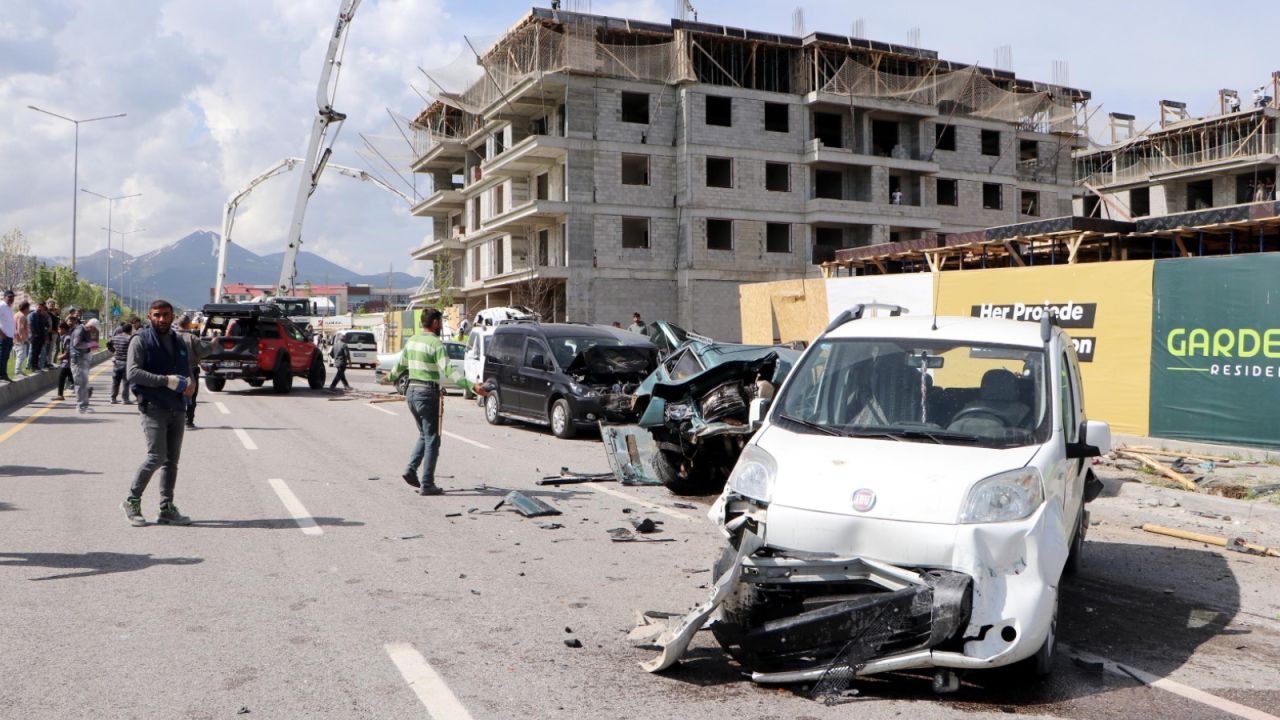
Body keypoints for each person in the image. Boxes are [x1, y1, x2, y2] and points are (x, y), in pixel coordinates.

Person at [390, 308, 488, 496]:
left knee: (424, 435)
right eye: (440, 322)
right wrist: (472, 386)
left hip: (411, 393)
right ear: (435, 322)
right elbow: (449, 371)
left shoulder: (412, 342)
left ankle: (411, 470)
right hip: (427, 395)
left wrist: (388, 377)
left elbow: (399, 367)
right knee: (433, 439)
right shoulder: (435, 344)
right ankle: (427, 483)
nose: (441, 325)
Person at [122, 300, 196, 527]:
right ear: (149, 316)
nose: (162, 319)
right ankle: (132, 501)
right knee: (156, 457)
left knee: (171, 462)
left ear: (173, 316)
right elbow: (133, 373)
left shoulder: (178, 340)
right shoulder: (140, 339)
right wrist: (166, 381)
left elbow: (186, 367)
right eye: (157, 315)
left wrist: (189, 381)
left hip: (177, 407)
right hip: (153, 407)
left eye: (166, 315)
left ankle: (166, 508)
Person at [176, 314, 212, 429]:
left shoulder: (171, 337)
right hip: (191, 370)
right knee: (191, 396)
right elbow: (203, 352)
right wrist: (213, 344)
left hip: (174, 370)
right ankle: (189, 421)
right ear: (188, 324)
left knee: (175, 395)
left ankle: (175, 421)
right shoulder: (192, 338)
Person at [69, 318, 98, 413]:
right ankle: (80, 406)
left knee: (84, 383)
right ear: (91, 326)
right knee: (80, 383)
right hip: (78, 359)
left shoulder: (84, 331)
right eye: (95, 329)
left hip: (82, 359)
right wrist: (90, 345)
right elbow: (77, 344)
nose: (94, 331)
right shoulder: (80, 330)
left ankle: (84, 404)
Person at [108, 322, 134, 404]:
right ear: (130, 330)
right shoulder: (130, 338)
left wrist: (113, 351)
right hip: (126, 362)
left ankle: (113, 398)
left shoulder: (115, 337)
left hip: (117, 362)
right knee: (126, 382)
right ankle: (125, 399)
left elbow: (108, 344)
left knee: (115, 381)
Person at [55, 320, 75, 400]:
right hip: (69, 362)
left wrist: (61, 357)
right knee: (72, 378)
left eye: (59, 329)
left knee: (62, 377)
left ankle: (60, 395)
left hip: (68, 362)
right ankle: (86, 391)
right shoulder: (66, 337)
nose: (58, 331)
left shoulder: (67, 338)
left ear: (63, 329)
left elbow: (68, 352)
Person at [28, 301, 50, 372]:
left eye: (42, 306)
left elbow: (47, 325)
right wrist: (34, 333)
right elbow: (31, 325)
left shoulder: (42, 315)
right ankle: (33, 367)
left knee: (38, 352)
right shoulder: (32, 315)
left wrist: (46, 330)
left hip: (41, 337)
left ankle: (36, 366)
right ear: (36, 306)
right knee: (34, 352)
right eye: (39, 306)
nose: (40, 307)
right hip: (35, 337)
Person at [0, 290, 15, 382]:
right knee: (2, 356)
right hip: (3, 337)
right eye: (9, 297)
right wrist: (1, 334)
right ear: (4, 297)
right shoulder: (1, 306)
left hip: (9, 337)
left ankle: (3, 375)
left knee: (5, 357)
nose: (11, 299)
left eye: (12, 297)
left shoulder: (9, 308)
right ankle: (1, 375)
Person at [13, 300, 30, 377]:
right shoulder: (22, 316)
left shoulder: (17, 314)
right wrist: (24, 339)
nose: (29, 309)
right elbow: (20, 328)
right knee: (21, 355)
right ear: (25, 308)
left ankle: (19, 370)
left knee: (20, 355)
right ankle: (18, 371)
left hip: (17, 338)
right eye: (28, 308)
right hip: (20, 339)